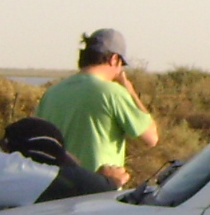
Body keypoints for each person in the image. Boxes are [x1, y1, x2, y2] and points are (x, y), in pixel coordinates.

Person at [34, 28, 158, 187]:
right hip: (98, 189)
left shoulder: (52, 93)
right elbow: (151, 137)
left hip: (58, 188)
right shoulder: (113, 93)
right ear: (114, 59)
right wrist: (130, 91)